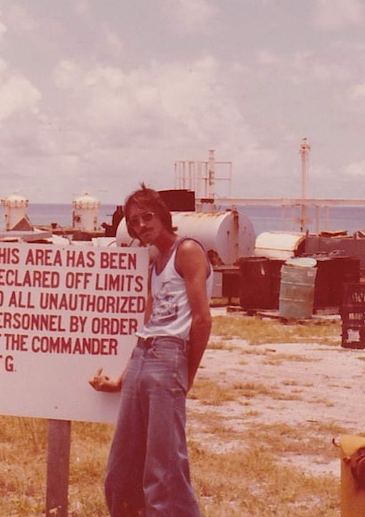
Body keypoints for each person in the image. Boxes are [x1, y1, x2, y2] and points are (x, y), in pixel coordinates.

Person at [89, 184, 213, 517]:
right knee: (121, 470)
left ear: (162, 216)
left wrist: (186, 374)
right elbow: (149, 324)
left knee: (164, 470)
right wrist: (121, 379)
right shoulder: (153, 261)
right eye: (134, 221)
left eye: (147, 217)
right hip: (144, 355)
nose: (142, 226)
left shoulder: (187, 251)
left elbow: (202, 321)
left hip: (169, 357)